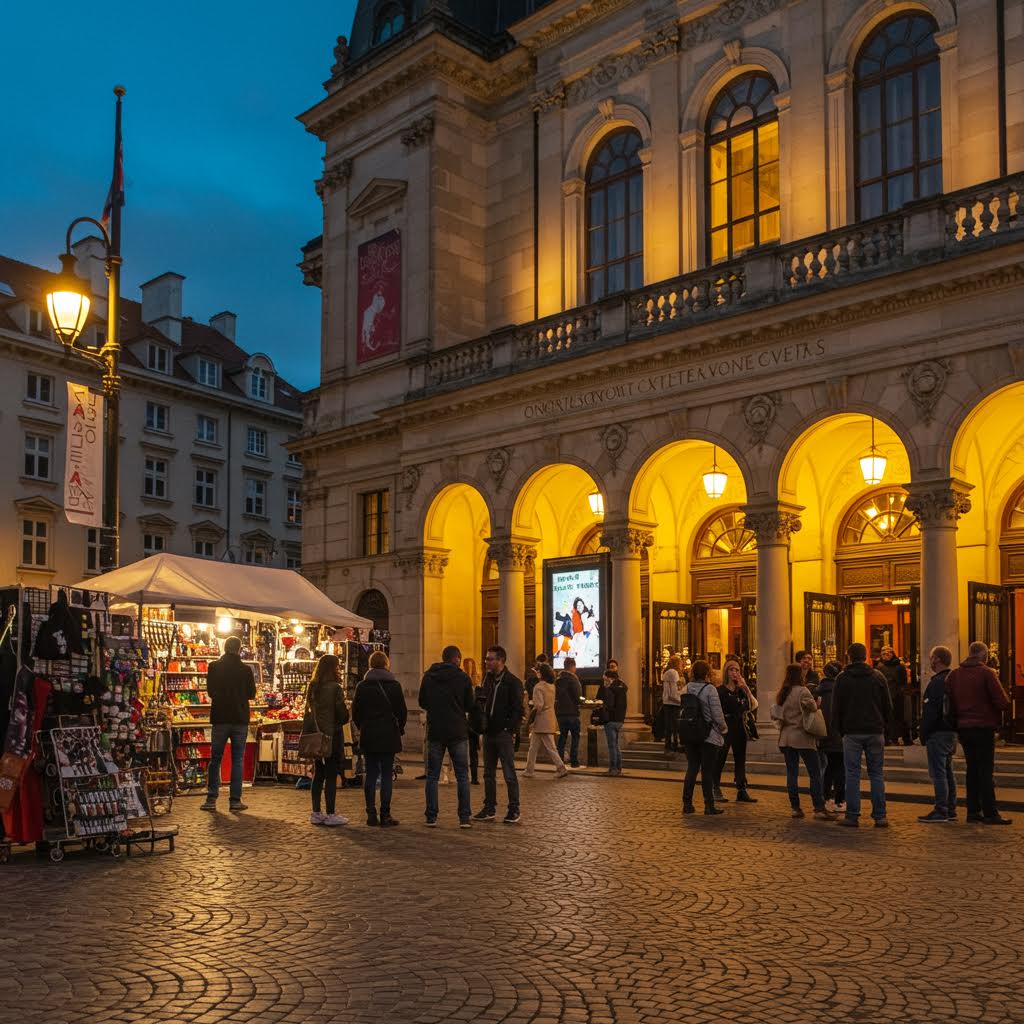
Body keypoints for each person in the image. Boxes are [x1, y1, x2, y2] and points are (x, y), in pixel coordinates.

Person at [946, 641, 1012, 825]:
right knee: (985, 770)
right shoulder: (986, 673)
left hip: (964, 727)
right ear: (983, 656)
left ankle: (973, 811)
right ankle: (990, 812)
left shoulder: (954, 675)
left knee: (972, 769)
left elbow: (948, 700)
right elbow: (1002, 701)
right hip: (983, 727)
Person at [832, 642, 892, 828]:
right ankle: (880, 816)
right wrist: (883, 727)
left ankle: (852, 815)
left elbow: (836, 708)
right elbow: (887, 706)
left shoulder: (842, 678)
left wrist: (841, 730)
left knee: (852, 774)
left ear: (849, 656)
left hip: (852, 732)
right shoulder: (878, 676)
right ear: (865, 656)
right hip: (874, 730)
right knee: (876, 774)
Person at [418, 645, 475, 828]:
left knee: (432, 776)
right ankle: (464, 817)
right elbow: (469, 704)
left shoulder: (429, 676)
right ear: (457, 659)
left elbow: (422, 701)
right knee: (462, 776)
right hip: (458, 731)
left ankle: (431, 816)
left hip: (435, 730)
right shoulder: (463, 678)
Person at [352, 651, 408, 827]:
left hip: (369, 734)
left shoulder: (362, 686)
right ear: (386, 664)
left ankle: (371, 813)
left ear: (370, 665)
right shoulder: (394, 686)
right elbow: (402, 712)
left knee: (370, 774)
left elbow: (355, 713)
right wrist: (399, 728)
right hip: (388, 734)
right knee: (386, 775)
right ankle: (385, 814)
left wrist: (363, 727)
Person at [201, 636, 256, 813]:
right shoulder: (246, 669)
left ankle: (211, 798)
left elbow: (210, 692)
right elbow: (251, 694)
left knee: (215, 759)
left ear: (224, 648)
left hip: (220, 717)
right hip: (239, 718)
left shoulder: (214, 667)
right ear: (239, 649)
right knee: (237, 759)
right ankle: (235, 800)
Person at [773, 664, 831, 820]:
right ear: (800, 675)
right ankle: (818, 807)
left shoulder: (783, 693)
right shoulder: (802, 691)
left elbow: (776, 714)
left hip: (786, 737)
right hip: (802, 737)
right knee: (815, 772)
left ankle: (795, 807)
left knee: (792, 774)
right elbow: (813, 708)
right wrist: (817, 702)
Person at [475, 645, 525, 824]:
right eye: (486, 658)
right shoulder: (487, 680)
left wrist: (509, 729)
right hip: (488, 732)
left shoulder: (513, 682)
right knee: (488, 773)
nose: (486, 662)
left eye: (490, 659)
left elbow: (518, 710)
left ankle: (514, 808)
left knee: (509, 773)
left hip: (503, 734)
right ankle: (489, 807)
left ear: (501, 661)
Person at [305, 654, 351, 827]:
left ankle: (316, 812)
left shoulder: (313, 686)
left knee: (318, 774)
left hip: (316, 735)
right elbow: (342, 715)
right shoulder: (335, 688)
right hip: (332, 735)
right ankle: (331, 813)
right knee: (331, 774)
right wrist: (346, 710)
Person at [917, 645, 958, 823]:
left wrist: (923, 733)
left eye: (932, 657)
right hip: (950, 732)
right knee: (948, 771)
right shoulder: (953, 679)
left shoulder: (937, 682)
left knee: (939, 773)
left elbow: (931, 711)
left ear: (938, 659)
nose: (930, 661)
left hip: (938, 732)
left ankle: (941, 809)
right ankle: (950, 808)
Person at [681, 660, 727, 815]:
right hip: (708, 734)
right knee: (707, 771)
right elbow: (717, 713)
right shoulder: (710, 689)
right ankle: (709, 805)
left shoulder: (686, 688)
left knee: (692, 768)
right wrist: (723, 728)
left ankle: (687, 804)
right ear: (708, 673)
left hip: (690, 734)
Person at [715, 659, 757, 803]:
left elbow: (752, 706)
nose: (735, 673)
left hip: (739, 726)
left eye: (737, 670)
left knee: (740, 758)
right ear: (726, 672)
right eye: (731, 670)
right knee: (720, 757)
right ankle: (715, 787)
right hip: (725, 727)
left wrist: (745, 688)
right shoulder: (720, 690)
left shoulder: (741, 691)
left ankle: (741, 789)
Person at [524, 664, 569, 778]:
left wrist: (531, 712)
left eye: (537, 671)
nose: (536, 673)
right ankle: (529, 770)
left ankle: (561, 768)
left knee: (544, 747)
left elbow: (539, 705)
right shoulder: (551, 686)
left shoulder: (538, 687)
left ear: (541, 673)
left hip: (540, 720)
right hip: (549, 717)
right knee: (537, 747)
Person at [815, 660, 846, 814]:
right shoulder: (841, 689)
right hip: (839, 734)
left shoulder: (819, 690)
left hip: (823, 734)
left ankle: (826, 797)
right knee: (840, 768)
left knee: (828, 767)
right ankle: (840, 800)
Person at [877, 645, 910, 745]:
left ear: (892, 654)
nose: (886, 656)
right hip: (885, 695)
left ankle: (904, 738)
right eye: (883, 654)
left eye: (888, 653)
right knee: (886, 717)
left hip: (897, 694)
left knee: (900, 717)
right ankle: (888, 739)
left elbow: (903, 681)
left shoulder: (899, 666)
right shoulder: (879, 666)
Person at [554, 656, 583, 768]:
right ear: (572, 667)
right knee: (575, 736)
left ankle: (560, 761)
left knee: (562, 737)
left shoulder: (558, 680)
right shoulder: (573, 679)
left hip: (560, 713)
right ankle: (574, 761)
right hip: (572, 713)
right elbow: (577, 696)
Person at [597, 670, 627, 776]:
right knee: (616, 745)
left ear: (610, 679)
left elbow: (609, 706)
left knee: (612, 745)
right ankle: (618, 768)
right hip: (620, 720)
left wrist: (602, 706)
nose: (604, 682)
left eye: (605, 679)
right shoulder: (622, 688)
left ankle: (613, 768)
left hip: (610, 720)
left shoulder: (610, 690)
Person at [463, 656, 483, 784]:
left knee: (473, 752)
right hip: (463, 723)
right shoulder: (463, 687)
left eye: (473, 672)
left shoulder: (480, 691)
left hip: (474, 725)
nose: (471, 675)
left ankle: (474, 777)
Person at [661, 655, 682, 756]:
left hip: (667, 703)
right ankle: (674, 745)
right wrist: (680, 701)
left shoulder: (666, 672)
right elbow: (674, 691)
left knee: (668, 726)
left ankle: (667, 746)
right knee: (675, 726)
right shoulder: (674, 673)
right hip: (674, 703)